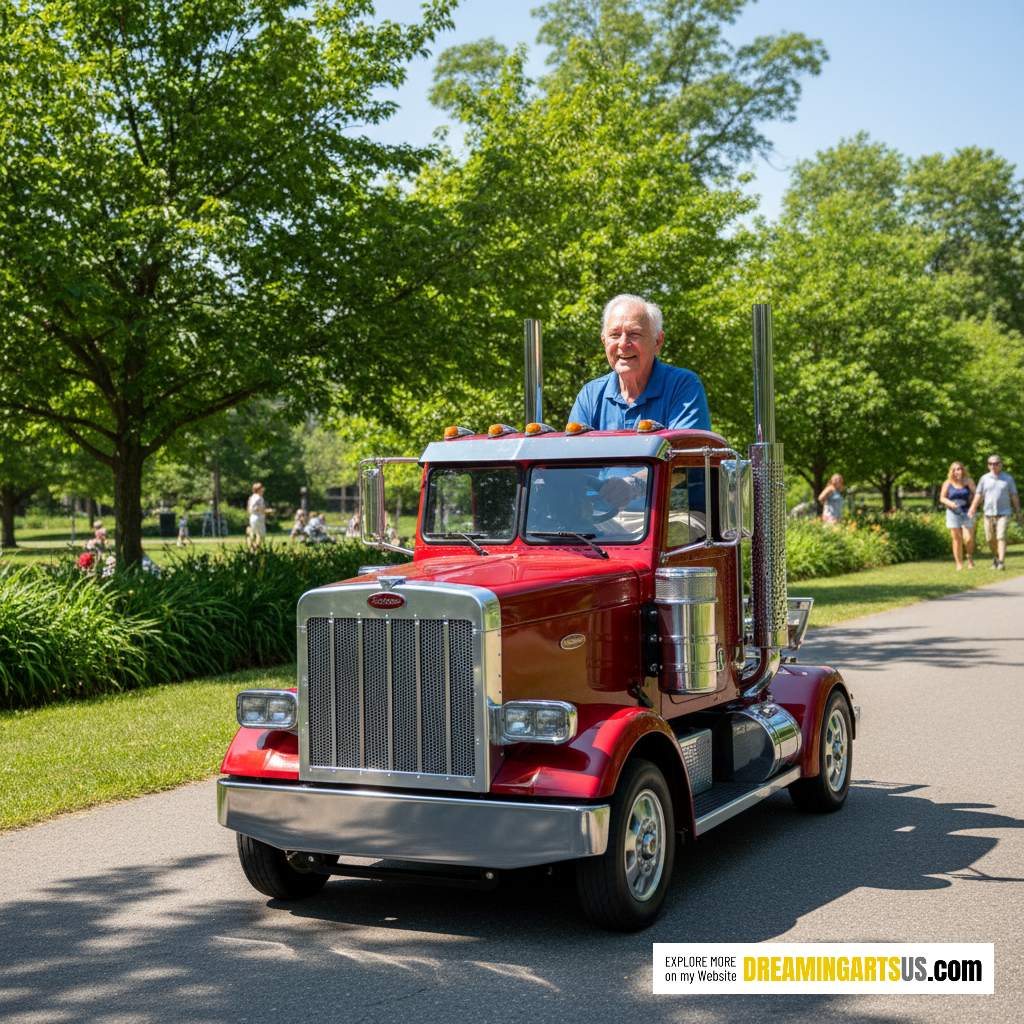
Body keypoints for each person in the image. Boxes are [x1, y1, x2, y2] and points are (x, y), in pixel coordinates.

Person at [569, 294, 710, 507]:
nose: (623, 344)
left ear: (658, 342)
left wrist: (632, 485)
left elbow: (686, 459)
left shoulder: (683, 386)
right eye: (614, 335)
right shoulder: (590, 395)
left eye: (634, 334)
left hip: (674, 515)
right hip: (601, 518)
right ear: (604, 341)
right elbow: (571, 464)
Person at [967, 454, 1020, 570]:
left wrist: (1018, 511)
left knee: (1001, 536)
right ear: (988, 465)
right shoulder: (984, 478)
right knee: (990, 539)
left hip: (1004, 513)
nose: (993, 466)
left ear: (1001, 464)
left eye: (996, 464)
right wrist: (972, 508)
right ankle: (996, 557)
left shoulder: (1008, 479)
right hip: (988, 513)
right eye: (990, 464)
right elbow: (979, 495)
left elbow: (1014, 495)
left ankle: (1001, 562)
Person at [939, 461, 976, 570]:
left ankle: (969, 557)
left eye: (959, 469)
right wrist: (950, 503)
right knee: (956, 539)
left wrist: (973, 505)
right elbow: (942, 498)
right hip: (952, 513)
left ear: (963, 470)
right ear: (951, 471)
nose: (957, 471)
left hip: (967, 512)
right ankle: (959, 563)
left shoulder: (968, 481)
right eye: (954, 469)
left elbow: (977, 494)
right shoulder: (947, 483)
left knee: (968, 539)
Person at [246, 482, 268, 550]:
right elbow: (257, 508)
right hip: (258, 517)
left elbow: (249, 508)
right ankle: (255, 548)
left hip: (252, 517)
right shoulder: (259, 498)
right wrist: (267, 511)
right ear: (258, 489)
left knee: (254, 534)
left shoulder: (251, 497)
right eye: (262, 488)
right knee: (260, 535)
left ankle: (252, 548)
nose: (263, 489)